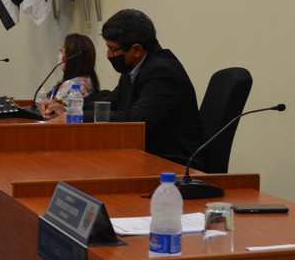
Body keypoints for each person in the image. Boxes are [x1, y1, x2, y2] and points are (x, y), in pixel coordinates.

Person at [51, 9, 203, 164]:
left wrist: (78, 118)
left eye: (112, 49)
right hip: (144, 153)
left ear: (136, 49)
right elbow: (113, 101)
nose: (108, 55)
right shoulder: (135, 66)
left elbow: (137, 119)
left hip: (171, 161)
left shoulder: (162, 72)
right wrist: (69, 109)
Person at [36, 33, 100, 118]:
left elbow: (51, 114)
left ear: (66, 57)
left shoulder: (71, 84)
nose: (60, 56)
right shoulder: (90, 80)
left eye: (61, 51)